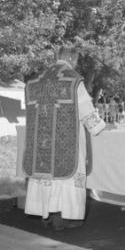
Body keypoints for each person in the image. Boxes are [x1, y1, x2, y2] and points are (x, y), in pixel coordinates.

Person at [23, 46, 108, 230]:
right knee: (67, 179)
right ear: (71, 58)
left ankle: (47, 214)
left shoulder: (36, 80)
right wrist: (100, 125)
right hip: (66, 143)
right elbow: (86, 111)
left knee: (48, 179)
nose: (76, 63)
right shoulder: (73, 80)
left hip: (41, 144)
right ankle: (64, 217)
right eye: (76, 59)